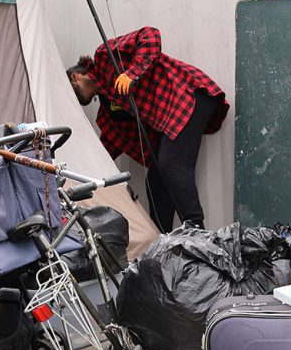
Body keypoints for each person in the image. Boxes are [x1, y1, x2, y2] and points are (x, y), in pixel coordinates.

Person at [66, 26, 228, 231]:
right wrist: (82, 171)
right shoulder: (107, 111)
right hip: (171, 117)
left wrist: (132, 74)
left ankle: (198, 232)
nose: (74, 98)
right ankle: (163, 238)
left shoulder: (105, 56)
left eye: (71, 92)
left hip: (187, 94)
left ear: (75, 77)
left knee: (172, 166)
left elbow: (150, 34)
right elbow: (109, 146)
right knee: (156, 179)